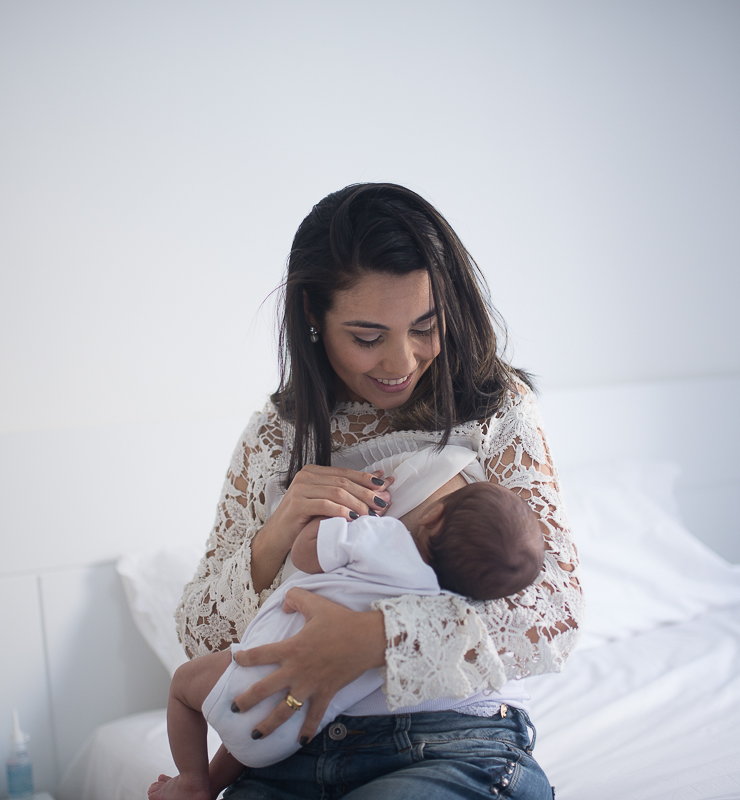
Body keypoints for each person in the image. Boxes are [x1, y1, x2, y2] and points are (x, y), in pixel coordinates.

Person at [173, 183, 582, 799]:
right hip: (290, 755)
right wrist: (280, 529)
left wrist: (369, 641)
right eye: (368, 337)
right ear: (313, 315)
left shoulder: (495, 412)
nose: (401, 360)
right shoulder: (276, 436)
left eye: (426, 326)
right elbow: (199, 635)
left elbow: (551, 611)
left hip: (450, 740)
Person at [150, 475, 546, 800]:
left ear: (433, 515)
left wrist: (338, 521)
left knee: (184, 684)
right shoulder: (444, 614)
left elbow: (307, 555)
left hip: (252, 688)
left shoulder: (386, 537)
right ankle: (207, 783)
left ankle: (193, 781)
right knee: (270, 714)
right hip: (294, 735)